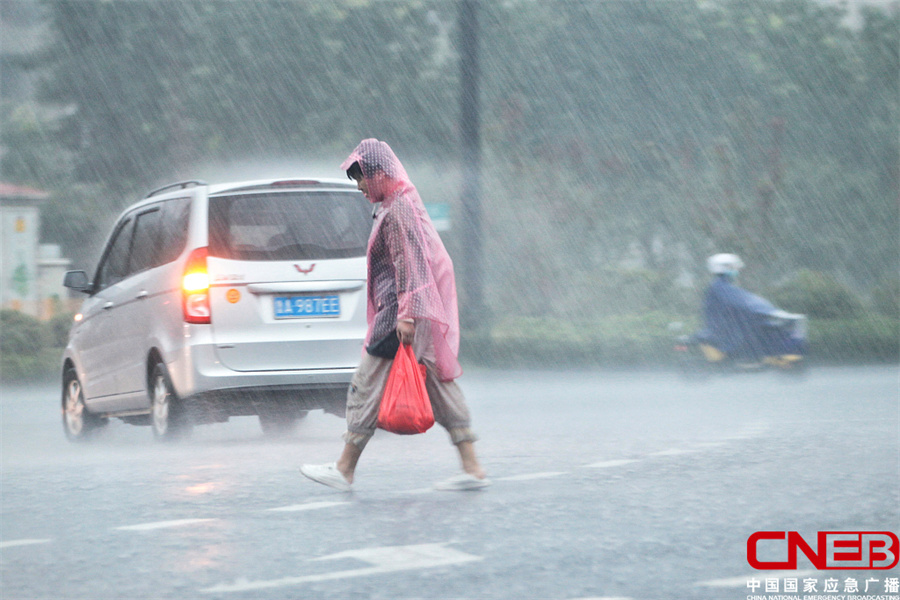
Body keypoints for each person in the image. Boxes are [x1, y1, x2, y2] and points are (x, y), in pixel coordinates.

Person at [300, 139, 489, 492]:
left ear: (381, 174)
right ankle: (472, 466)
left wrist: (406, 315)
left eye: (362, 178)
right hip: (413, 316)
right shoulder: (394, 204)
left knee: (364, 385)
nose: (359, 187)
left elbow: (409, 262)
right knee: (440, 388)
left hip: (398, 319)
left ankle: (344, 468)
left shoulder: (398, 208)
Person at [698, 253, 803, 362]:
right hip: (726, 328)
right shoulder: (721, 287)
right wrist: (768, 310)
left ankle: (756, 359)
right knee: (764, 329)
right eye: (733, 268)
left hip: (726, 325)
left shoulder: (721, 286)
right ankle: (764, 358)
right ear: (725, 268)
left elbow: (744, 301)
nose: (736, 271)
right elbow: (745, 302)